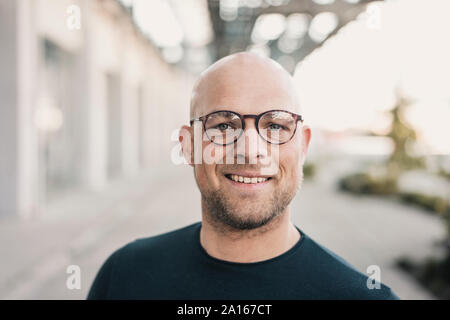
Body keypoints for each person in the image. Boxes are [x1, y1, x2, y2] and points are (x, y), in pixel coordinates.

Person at [87, 52, 399, 300]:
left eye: (276, 126)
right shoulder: (124, 277)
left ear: (303, 146)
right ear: (188, 145)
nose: (250, 151)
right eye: (223, 125)